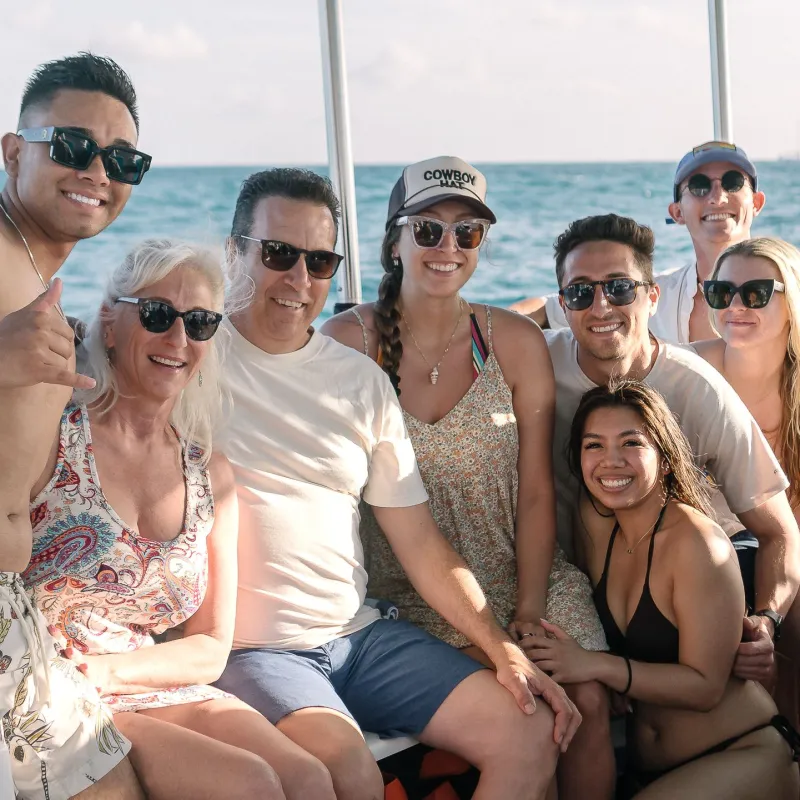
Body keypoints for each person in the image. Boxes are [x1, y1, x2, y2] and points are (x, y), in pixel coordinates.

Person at [214, 167, 580, 800]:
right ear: (233, 251)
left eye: (321, 260)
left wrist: (500, 646)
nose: (300, 280)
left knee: (531, 727)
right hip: (257, 649)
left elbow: (420, 542)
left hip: (360, 636)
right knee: (349, 769)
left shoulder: (358, 379)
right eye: (278, 254)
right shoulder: (189, 356)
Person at [322, 155, 614, 800]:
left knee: (586, 698)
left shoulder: (510, 340)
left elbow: (537, 492)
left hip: (519, 574)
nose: (447, 246)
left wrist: (531, 611)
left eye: (468, 233)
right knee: (529, 709)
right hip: (409, 596)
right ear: (394, 242)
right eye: (428, 229)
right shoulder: (346, 343)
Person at [23, 238, 344, 800]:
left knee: (310, 779)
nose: (178, 338)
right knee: (250, 785)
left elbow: (211, 647)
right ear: (111, 322)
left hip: (134, 678)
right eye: (156, 315)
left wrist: (113, 672)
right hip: (52, 686)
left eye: (198, 322)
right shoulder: (53, 438)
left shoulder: (209, 474)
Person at [543, 213, 800, 687]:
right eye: (581, 292)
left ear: (652, 295)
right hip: (582, 572)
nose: (600, 306)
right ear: (562, 305)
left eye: (620, 287)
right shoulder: (534, 366)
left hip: (698, 569)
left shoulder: (695, 385)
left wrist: (767, 622)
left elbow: (779, 532)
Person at [526, 380, 799, 799]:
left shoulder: (696, 545)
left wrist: (597, 667)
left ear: (667, 459)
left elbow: (706, 687)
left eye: (630, 443)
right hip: (651, 771)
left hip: (741, 753)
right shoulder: (597, 525)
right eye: (594, 445)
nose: (610, 462)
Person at [0, 53, 153, 799]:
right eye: (70, 145)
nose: (97, 169)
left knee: (108, 782)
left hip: (13, 608)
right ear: (11, 150)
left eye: (122, 157)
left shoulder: (31, 273)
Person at [694, 237, 800, 727]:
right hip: (711, 551)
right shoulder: (689, 372)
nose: (735, 306)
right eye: (721, 292)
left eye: (756, 292)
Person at [512, 141, 765, 343]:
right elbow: (545, 310)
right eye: (699, 186)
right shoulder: (649, 295)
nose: (718, 198)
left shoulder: (789, 290)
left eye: (733, 183)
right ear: (677, 212)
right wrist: (487, 334)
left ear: (756, 203)